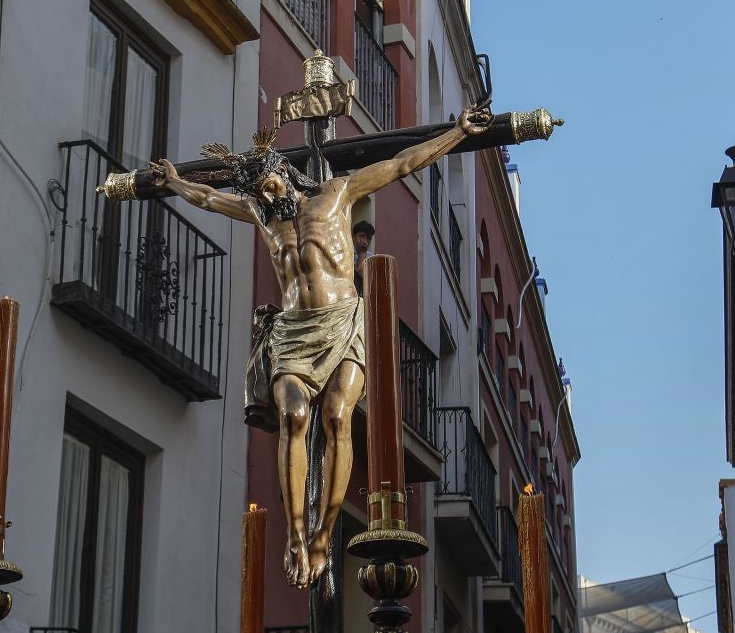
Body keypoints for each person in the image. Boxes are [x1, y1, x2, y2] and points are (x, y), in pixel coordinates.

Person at [151, 106, 491, 590]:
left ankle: (322, 536)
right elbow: (206, 197)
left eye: (269, 188)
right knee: (292, 416)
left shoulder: (335, 196)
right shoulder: (260, 214)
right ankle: (295, 533)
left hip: (341, 322)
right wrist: (174, 183)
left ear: (284, 176)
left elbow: (400, 165)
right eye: (257, 194)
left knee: (335, 417)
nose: (266, 199)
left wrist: (457, 133)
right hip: (292, 329)